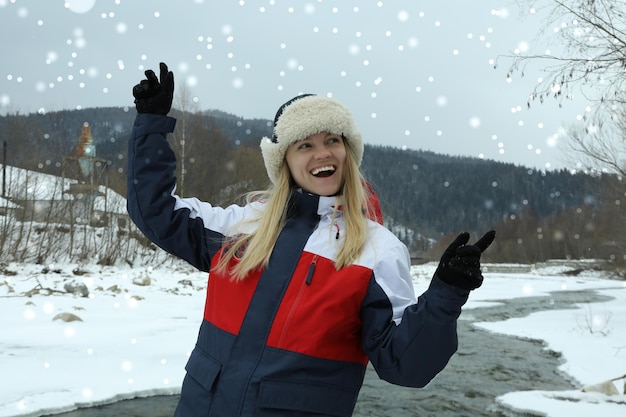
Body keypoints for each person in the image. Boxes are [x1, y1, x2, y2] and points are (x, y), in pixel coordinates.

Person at [127, 62, 495, 417]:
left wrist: (446, 294)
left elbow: (405, 366)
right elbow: (155, 211)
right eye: (304, 144)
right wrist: (150, 127)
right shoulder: (240, 227)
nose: (322, 153)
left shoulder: (377, 251)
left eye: (332, 140)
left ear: (348, 153)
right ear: (284, 160)